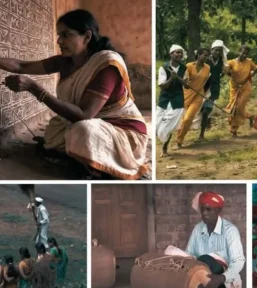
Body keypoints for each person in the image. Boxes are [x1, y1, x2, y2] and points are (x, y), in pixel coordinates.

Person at [0, 9, 148, 180]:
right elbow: (22, 67)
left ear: (86, 37)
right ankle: (84, 156)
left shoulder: (106, 65)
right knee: (55, 129)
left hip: (123, 133)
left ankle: (97, 169)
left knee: (82, 130)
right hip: (94, 125)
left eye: (66, 35)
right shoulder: (65, 61)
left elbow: (84, 115)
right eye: (58, 35)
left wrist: (34, 88)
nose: (59, 41)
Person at [186, 192, 245, 288]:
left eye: (208, 209)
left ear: (218, 210)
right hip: (201, 274)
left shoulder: (230, 231)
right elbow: (189, 254)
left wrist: (221, 278)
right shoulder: (197, 229)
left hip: (222, 279)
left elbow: (238, 261)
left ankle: (211, 285)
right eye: (202, 209)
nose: (204, 213)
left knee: (206, 258)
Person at [156, 44, 187, 157]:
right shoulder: (163, 68)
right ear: (171, 54)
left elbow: (187, 85)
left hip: (177, 100)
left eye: (181, 52)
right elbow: (163, 86)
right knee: (157, 125)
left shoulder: (184, 68)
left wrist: (180, 79)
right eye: (177, 52)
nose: (179, 54)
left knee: (168, 125)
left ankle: (164, 149)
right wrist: (171, 78)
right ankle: (161, 141)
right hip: (164, 99)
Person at [177, 48, 211, 148]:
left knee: (188, 118)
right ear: (198, 55)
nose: (206, 57)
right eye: (204, 55)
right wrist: (186, 82)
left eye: (207, 56)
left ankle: (180, 139)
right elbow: (185, 80)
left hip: (198, 95)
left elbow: (207, 82)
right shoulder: (189, 66)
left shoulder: (207, 68)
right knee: (182, 119)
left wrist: (206, 94)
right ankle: (179, 134)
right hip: (186, 94)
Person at [198, 40, 228, 140]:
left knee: (206, 110)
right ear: (211, 50)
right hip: (203, 88)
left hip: (214, 89)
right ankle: (207, 120)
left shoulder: (221, 62)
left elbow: (222, 73)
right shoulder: (206, 60)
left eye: (219, 51)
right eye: (216, 50)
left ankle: (201, 135)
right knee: (200, 110)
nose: (217, 53)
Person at [223, 45, 256, 137]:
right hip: (234, 87)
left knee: (238, 108)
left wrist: (254, 75)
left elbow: (256, 69)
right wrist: (226, 71)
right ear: (239, 52)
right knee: (233, 108)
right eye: (242, 52)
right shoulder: (231, 62)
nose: (244, 55)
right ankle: (249, 116)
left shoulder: (249, 62)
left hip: (246, 87)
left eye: (246, 53)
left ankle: (234, 130)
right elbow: (226, 70)